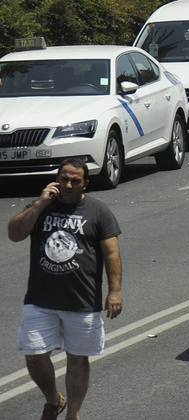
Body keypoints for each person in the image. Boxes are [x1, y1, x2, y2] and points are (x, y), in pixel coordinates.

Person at [7, 159, 123, 420]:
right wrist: (39, 204)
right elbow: (15, 233)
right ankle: (52, 399)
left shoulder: (98, 211)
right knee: (34, 354)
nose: (68, 185)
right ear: (56, 179)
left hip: (82, 301)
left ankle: (74, 413)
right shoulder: (42, 207)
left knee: (78, 360)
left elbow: (112, 253)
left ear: (85, 184)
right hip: (40, 299)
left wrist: (115, 291)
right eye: (63, 179)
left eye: (75, 181)